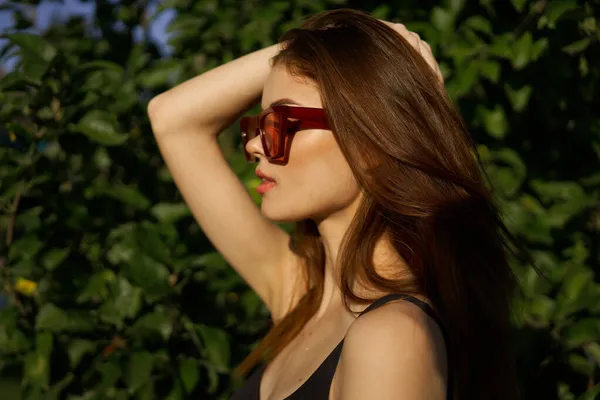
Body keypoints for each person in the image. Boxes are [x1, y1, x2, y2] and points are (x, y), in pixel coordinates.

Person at [148, 8, 520, 400]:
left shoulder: (391, 337)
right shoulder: (304, 299)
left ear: (371, 141)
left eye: (280, 124)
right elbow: (171, 119)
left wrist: (354, 57)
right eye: (257, 127)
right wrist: (317, 49)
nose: (255, 145)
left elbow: (173, 121)